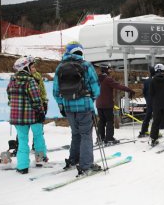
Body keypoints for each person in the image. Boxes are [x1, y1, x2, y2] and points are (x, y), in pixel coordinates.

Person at [53, 41, 101, 175]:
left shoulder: (60, 67)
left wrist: (61, 104)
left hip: (68, 106)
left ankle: (73, 159)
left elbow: (56, 91)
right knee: (86, 135)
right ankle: (86, 165)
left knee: (75, 133)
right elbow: (95, 87)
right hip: (84, 106)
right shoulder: (86, 65)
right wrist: (91, 99)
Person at [7, 56, 47, 174]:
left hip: (17, 118)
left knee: (23, 140)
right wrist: (40, 112)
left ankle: (22, 166)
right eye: (32, 66)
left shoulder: (12, 80)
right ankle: (40, 159)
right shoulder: (30, 81)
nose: (33, 68)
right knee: (38, 137)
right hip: (33, 116)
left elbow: (9, 97)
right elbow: (36, 99)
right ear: (26, 68)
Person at [96, 63, 135, 144]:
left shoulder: (96, 79)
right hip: (107, 104)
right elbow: (118, 86)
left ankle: (100, 138)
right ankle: (109, 138)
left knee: (101, 121)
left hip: (99, 104)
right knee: (109, 121)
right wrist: (129, 90)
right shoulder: (107, 79)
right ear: (106, 69)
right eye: (109, 69)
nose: (110, 71)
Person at [139, 66, 155, 138]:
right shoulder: (156, 80)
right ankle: (155, 132)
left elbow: (144, 92)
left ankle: (144, 130)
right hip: (155, 100)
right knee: (156, 116)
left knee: (148, 116)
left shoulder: (146, 81)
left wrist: (147, 99)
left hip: (149, 100)